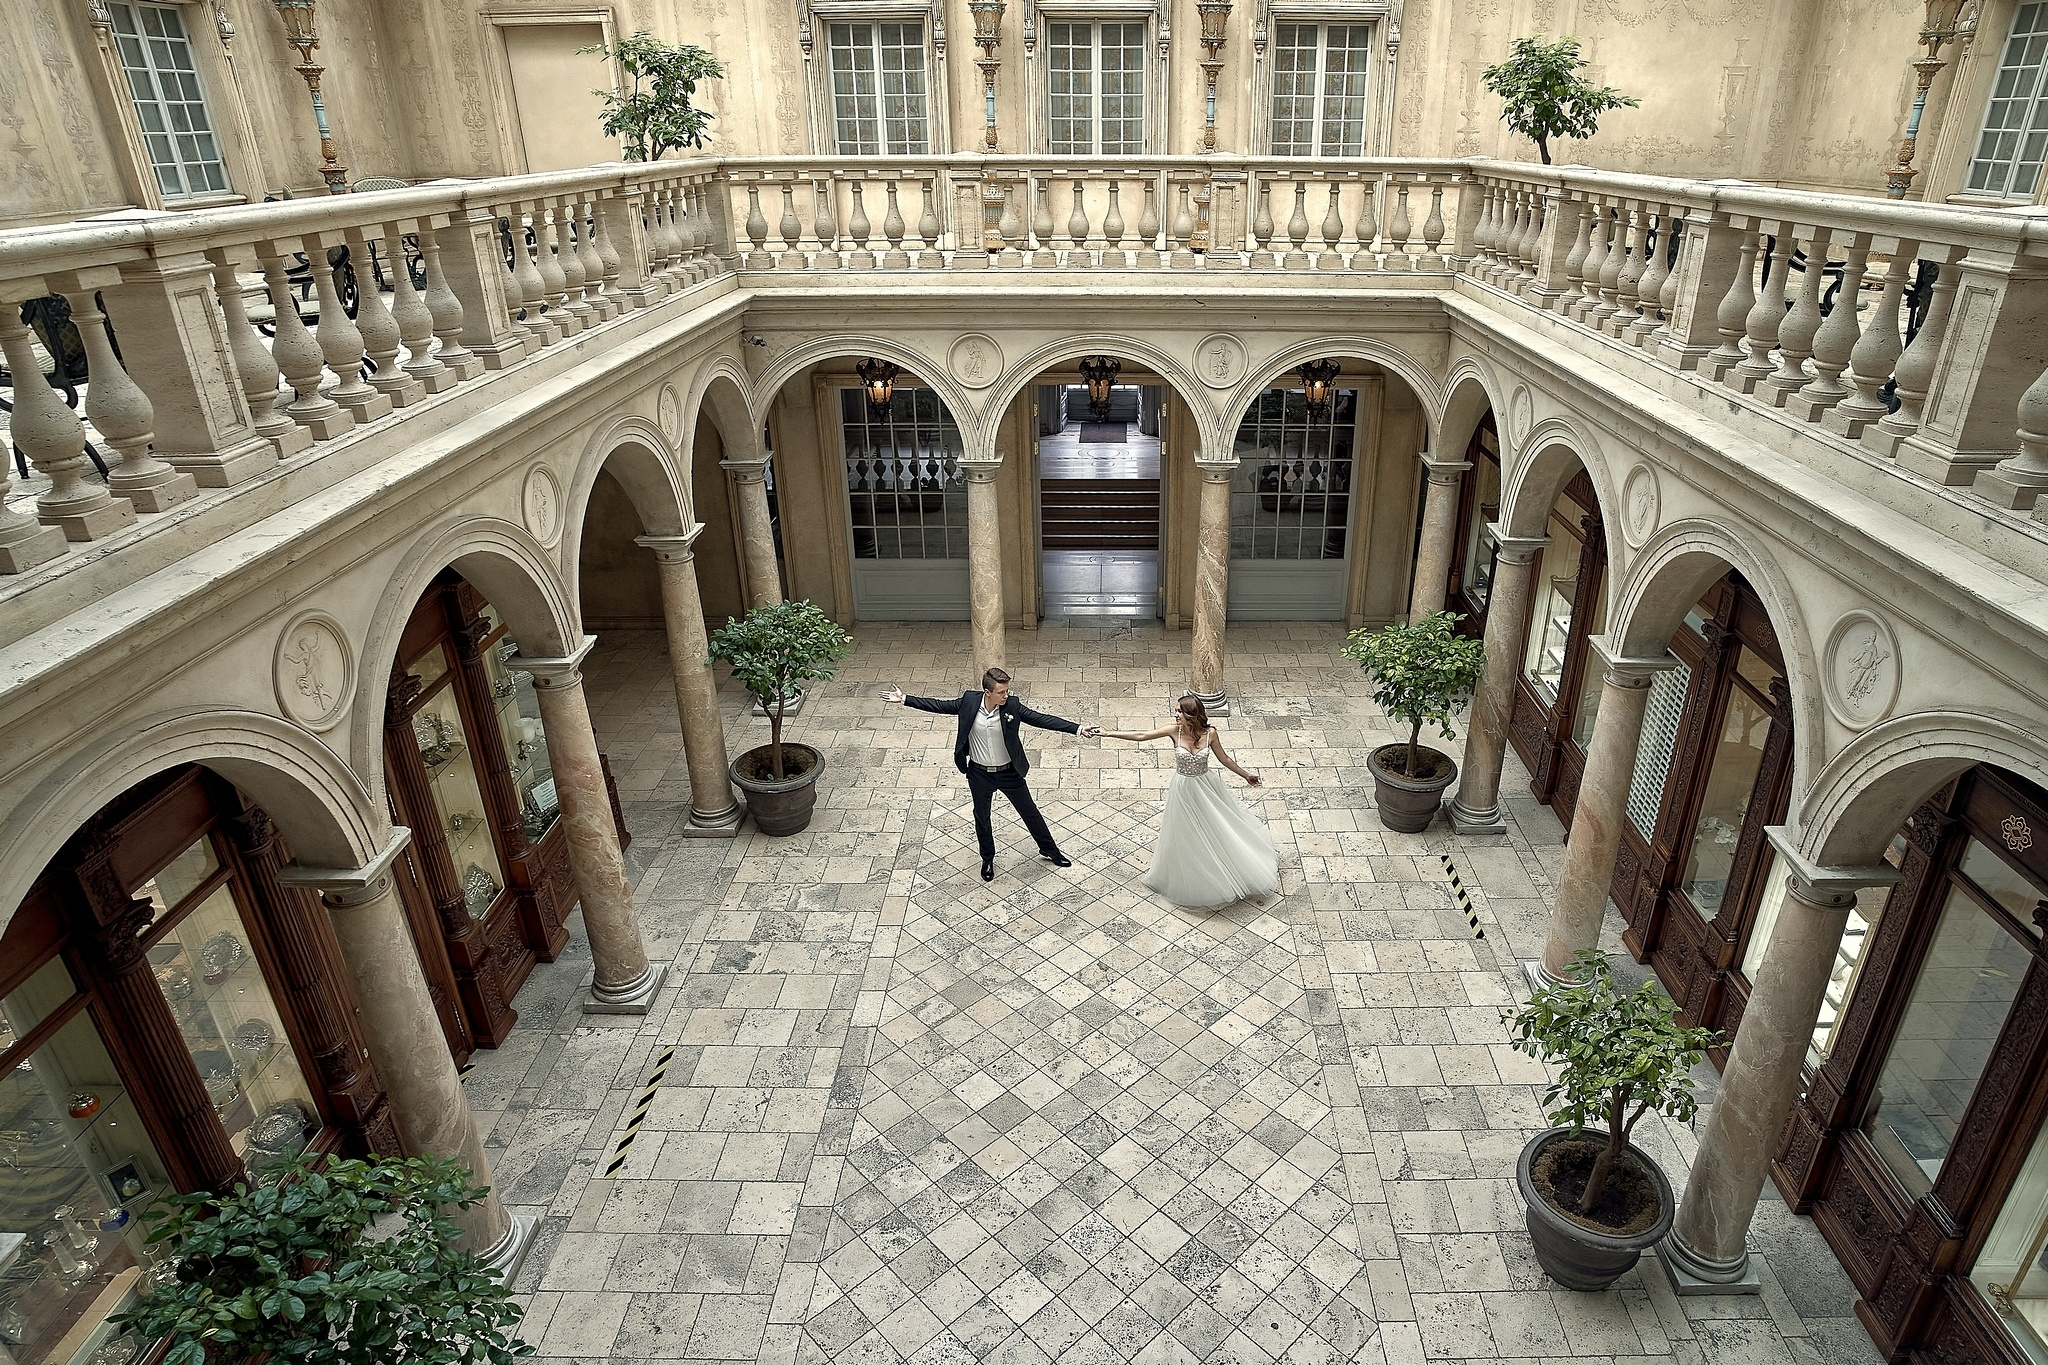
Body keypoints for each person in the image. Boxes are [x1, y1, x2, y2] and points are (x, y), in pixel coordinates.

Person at [884, 668, 1101, 882]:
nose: (1006, 695)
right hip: (979, 773)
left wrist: (1078, 729)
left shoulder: (1012, 706)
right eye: (1001, 692)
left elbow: (1041, 719)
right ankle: (987, 859)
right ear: (987, 692)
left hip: (1008, 772)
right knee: (982, 817)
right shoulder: (969, 702)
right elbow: (939, 705)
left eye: (1007, 691)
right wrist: (904, 699)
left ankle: (1050, 850)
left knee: (1030, 812)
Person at [1102, 694, 1278, 908]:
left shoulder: (1210, 733)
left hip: (1205, 786)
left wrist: (1246, 775)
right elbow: (1141, 735)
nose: (1175, 715)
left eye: (1179, 711)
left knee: (1217, 826)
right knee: (1185, 831)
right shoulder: (1173, 731)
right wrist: (1108, 733)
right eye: (1176, 711)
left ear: (1191, 714)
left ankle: (1225, 865)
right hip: (1183, 789)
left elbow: (1225, 759)